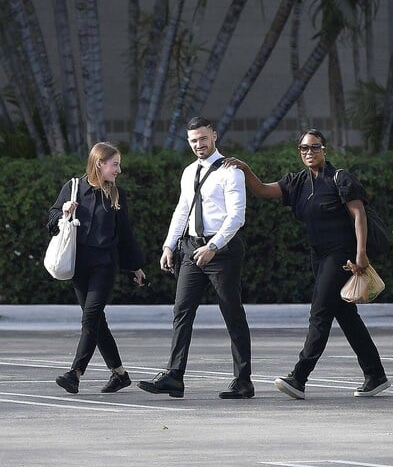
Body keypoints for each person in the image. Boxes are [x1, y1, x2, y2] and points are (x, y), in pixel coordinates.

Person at [224, 129, 390, 399]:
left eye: (314, 147)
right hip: (320, 257)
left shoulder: (340, 178)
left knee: (319, 314)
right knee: (347, 317)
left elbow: (358, 215)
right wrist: (244, 169)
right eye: (303, 148)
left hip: (342, 255)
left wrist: (361, 255)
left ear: (325, 149)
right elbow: (264, 190)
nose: (309, 153)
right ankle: (376, 375)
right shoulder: (298, 182)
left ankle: (299, 377)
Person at [138, 116, 254, 399]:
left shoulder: (231, 171)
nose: (199, 145)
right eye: (193, 141)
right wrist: (169, 246)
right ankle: (174, 376)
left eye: (203, 138)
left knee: (231, 312)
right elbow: (182, 210)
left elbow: (236, 217)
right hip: (190, 248)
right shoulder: (189, 171)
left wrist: (213, 246)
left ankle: (243, 381)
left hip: (222, 251)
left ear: (214, 136)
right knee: (182, 311)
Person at [46, 143, 147, 394]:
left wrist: (135, 266)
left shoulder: (116, 194)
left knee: (90, 317)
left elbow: (124, 233)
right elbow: (52, 219)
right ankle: (120, 374)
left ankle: (75, 373)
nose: (119, 170)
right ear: (99, 163)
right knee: (97, 321)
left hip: (105, 265)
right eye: (115, 164)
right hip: (79, 265)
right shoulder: (73, 188)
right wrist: (63, 213)